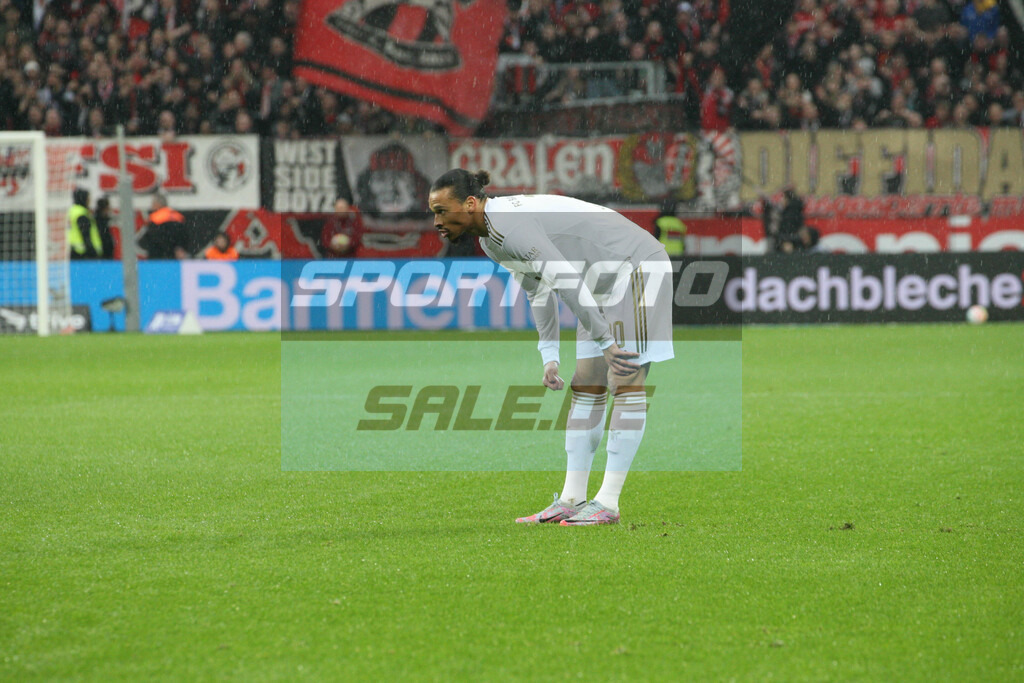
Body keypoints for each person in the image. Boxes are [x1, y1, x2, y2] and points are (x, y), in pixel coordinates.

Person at [428, 169, 675, 526]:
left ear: (469, 204)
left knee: (624, 380)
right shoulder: (489, 239)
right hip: (599, 277)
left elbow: (564, 278)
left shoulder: (508, 226)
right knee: (586, 383)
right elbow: (537, 289)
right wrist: (550, 355)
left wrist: (606, 342)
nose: (436, 221)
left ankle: (608, 502)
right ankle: (573, 499)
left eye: (440, 210)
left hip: (635, 266)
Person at [139, 194, 190, 259]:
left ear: (157, 204)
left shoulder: (154, 218)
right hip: (176, 256)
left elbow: (150, 238)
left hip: (159, 256)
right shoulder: (178, 216)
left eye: (153, 204)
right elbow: (185, 236)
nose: (152, 206)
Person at [67, 188, 103, 259]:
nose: (89, 201)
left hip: (74, 251)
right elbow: (86, 235)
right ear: (84, 198)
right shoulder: (81, 214)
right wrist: (93, 253)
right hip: (83, 254)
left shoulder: (73, 211)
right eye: (88, 198)